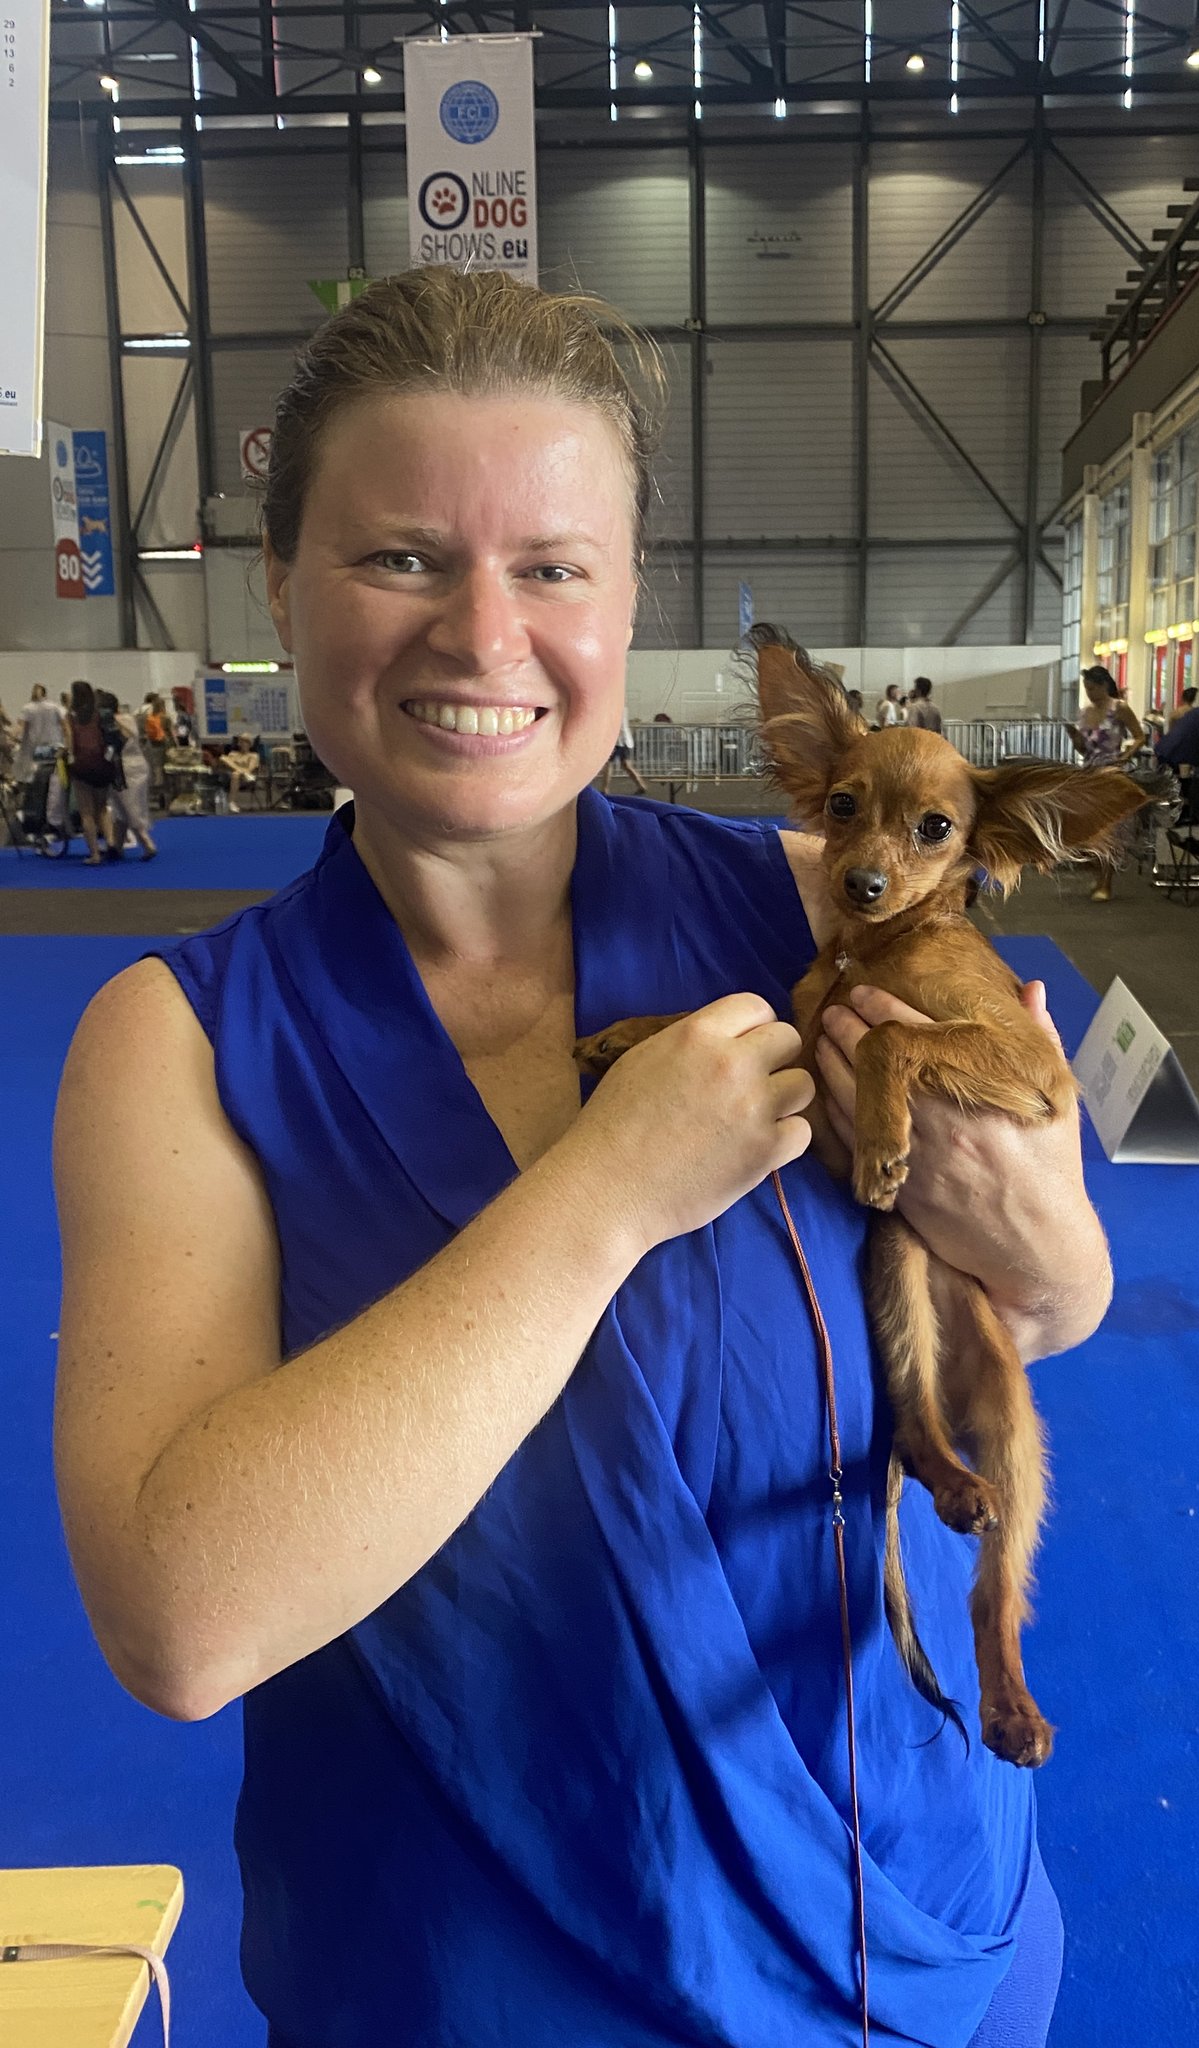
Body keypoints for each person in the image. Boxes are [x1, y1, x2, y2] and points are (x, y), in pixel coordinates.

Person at [53, 268, 1106, 2048]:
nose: (484, 635)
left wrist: (1049, 1238)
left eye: (551, 567)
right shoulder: (180, 1046)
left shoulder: (825, 907)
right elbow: (182, 1620)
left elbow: (1057, 1297)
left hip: (917, 1918)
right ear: (281, 584)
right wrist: (607, 1192)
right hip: (489, 1972)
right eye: (402, 556)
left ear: (627, 603)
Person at [1064, 666, 1145, 902]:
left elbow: (1140, 736)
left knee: (1109, 830)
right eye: (1086, 689)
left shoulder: (1119, 708)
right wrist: (1075, 737)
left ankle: (1106, 881)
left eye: (1092, 688)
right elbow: (1083, 749)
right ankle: (1098, 872)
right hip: (1089, 772)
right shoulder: (1086, 712)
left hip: (1112, 772)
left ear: (1103, 686)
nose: (1089, 693)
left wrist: (1126, 755)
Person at [96, 690, 158, 860]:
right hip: (138, 764)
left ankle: (147, 844)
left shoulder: (109, 724)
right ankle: (117, 846)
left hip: (123, 768)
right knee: (121, 807)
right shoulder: (129, 718)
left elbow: (115, 744)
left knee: (129, 808)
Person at [63, 680, 115, 865]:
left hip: (82, 765)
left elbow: (70, 741)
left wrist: (68, 756)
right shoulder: (99, 714)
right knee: (102, 808)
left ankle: (94, 854)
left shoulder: (70, 716)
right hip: (102, 763)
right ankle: (111, 842)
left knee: (86, 812)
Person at [16, 682, 66, 770]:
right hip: (55, 746)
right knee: (55, 772)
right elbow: (65, 727)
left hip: (37, 747)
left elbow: (21, 728)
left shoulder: (28, 708)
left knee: (39, 772)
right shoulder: (55, 707)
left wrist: (14, 738)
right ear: (45, 693)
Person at [600, 704, 648, 794]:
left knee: (609, 764)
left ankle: (605, 789)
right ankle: (641, 785)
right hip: (625, 739)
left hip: (617, 740)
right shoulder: (622, 707)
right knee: (626, 765)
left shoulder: (613, 708)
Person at [219, 734, 263, 812]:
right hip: (229, 778)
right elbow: (226, 764)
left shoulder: (253, 755)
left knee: (235, 774)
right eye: (241, 742)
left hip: (246, 779)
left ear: (250, 744)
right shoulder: (233, 754)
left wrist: (239, 771)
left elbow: (249, 770)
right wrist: (239, 770)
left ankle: (232, 802)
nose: (243, 744)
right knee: (223, 758)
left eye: (246, 742)